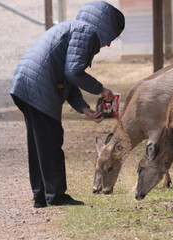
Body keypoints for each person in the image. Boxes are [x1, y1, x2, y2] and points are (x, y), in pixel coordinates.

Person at [10, 1, 125, 208]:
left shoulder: (76, 28)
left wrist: (84, 108)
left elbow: (68, 76)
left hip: (24, 83)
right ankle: (56, 196)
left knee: (39, 145)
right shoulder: (86, 32)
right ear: (105, 26)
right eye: (111, 37)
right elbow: (73, 72)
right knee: (51, 141)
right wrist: (101, 89)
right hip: (38, 86)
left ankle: (41, 196)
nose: (108, 44)